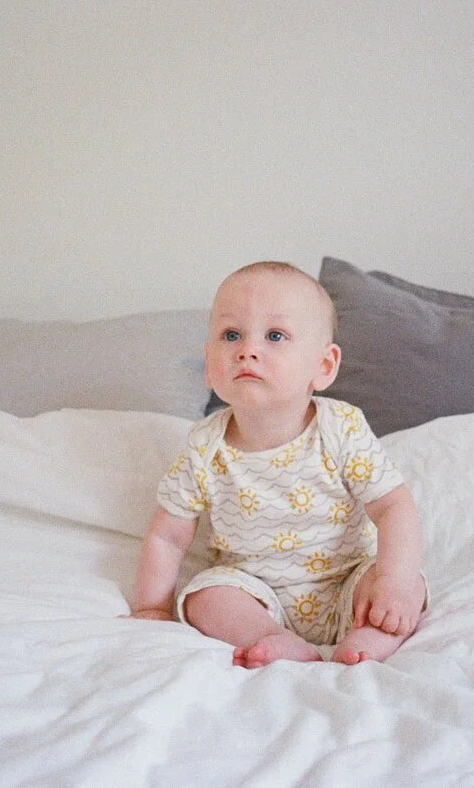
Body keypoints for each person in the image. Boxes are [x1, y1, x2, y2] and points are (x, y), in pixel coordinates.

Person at [126, 261, 427, 667]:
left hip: (347, 580)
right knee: (204, 596)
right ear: (209, 364)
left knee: (408, 586)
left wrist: (394, 582)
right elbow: (168, 536)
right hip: (255, 593)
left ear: (323, 366)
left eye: (275, 336)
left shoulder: (340, 428)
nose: (247, 350)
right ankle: (272, 638)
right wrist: (152, 607)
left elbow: (393, 507)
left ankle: (366, 640)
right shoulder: (204, 447)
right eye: (231, 335)